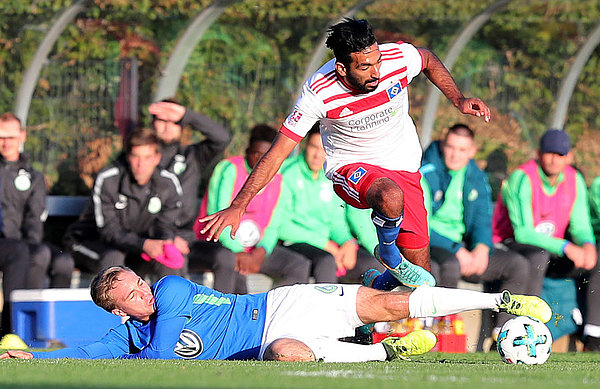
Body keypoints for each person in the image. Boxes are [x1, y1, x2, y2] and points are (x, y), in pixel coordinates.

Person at [199, 18, 491, 291]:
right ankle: (388, 252)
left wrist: (459, 99)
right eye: (364, 67)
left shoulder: (394, 60)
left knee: (421, 278)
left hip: (403, 167)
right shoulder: (318, 92)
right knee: (389, 196)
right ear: (341, 68)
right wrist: (239, 204)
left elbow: (426, 57)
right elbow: (277, 153)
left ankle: (378, 305)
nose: (376, 72)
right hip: (350, 168)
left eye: (376, 62)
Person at [1, 265, 551, 361]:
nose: (145, 292)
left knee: (389, 302)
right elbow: (92, 352)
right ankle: (384, 350)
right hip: (272, 340)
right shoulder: (133, 337)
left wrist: (125, 347)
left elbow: (166, 349)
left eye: (139, 283)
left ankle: (503, 302)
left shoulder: (170, 291)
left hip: (281, 302)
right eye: (132, 294)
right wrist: (29, 358)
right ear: (120, 308)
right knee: (286, 355)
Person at [417, 124, 532, 337]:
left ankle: (505, 332)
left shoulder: (476, 176)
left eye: (462, 150)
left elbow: (482, 219)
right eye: (451, 147)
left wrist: (481, 248)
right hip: (434, 244)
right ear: (443, 145)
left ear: (472, 151)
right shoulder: (426, 172)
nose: (455, 155)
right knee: (449, 265)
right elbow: (420, 224)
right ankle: (442, 333)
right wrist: (456, 249)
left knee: (518, 265)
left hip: (464, 248)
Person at [493, 128, 600, 351]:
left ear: (568, 157)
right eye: (549, 153)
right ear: (538, 153)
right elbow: (523, 232)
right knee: (536, 256)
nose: (554, 159)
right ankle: (518, 331)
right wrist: (567, 247)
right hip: (512, 245)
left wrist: (588, 245)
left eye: (560, 154)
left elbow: (580, 224)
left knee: (597, 257)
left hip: (554, 250)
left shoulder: (574, 178)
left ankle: (593, 336)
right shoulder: (522, 177)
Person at [194, 124, 310, 293]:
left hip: (254, 252)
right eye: (256, 153)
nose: (260, 160)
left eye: (266, 156)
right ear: (247, 151)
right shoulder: (229, 169)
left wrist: (262, 251)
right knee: (233, 268)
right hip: (220, 245)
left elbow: (274, 223)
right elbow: (218, 215)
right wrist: (239, 252)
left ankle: (272, 311)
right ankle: (227, 316)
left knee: (299, 265)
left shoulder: (277, 180)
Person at [64, 128, 185, 280]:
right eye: (136, 157)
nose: (141, 164)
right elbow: (108, 231)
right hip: (90, 243)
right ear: (128, 157)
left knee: (168, 258)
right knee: (114, 260)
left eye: (147, 157)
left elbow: (166, 225)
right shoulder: (108, 179)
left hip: (137, 248)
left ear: (157, 158)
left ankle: (173, 304)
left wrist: (166, 241)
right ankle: (109, 304)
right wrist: (143, 244)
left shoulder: (167, 183)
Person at [148, 100, 235, 291]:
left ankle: (222, 315)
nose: (167, 126)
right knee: (171, 261)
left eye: (174, 121)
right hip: (152, 239)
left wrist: (187, 114)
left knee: (225, 256)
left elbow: (221, 138)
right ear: (152, 123)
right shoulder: (141, 158)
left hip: (187, 239)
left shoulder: (192, 156)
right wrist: (167, 238)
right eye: (161, 120)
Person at [0, 112, 74, 289]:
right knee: (26, 253)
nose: (6, 143)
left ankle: (55, 316)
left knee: (63, 262)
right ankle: (16, 316)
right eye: (1, 137)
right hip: (6, 244)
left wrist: (31, 244)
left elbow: (35, 217)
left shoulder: (34, 176)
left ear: (22, 136)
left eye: (11, 137)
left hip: (26, 243)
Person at [278, 125, 360, 282]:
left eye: (324, 150)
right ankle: (327, 307)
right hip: (291, 242)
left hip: (327, 245)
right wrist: (325, 244)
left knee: (371, 265)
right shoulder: (287, 173)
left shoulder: (331, 177)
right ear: (305, 145)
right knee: (326, 261)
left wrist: (348, 243)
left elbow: (336, 221)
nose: (317, 155)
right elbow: (282, 226)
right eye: (313, 147)